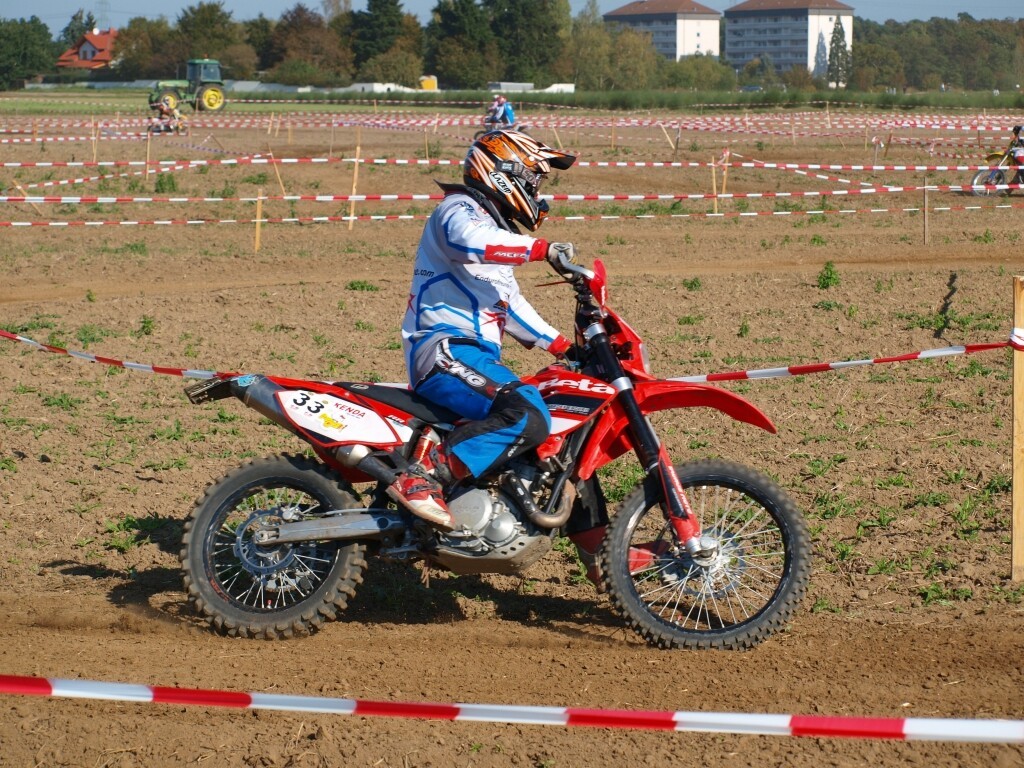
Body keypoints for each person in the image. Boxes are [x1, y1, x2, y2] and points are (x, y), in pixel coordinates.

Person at [389, 130, 576, 531]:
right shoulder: (457, 209)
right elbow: (467, 240)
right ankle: (423, 477)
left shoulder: (493, 231)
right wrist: (539, 249)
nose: (538, 192)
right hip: (444, 349)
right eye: (534, 180)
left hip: (474, 355)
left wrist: (565, 347)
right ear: (504, 174)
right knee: (527, 413)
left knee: (537, 408)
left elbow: (510, 305)